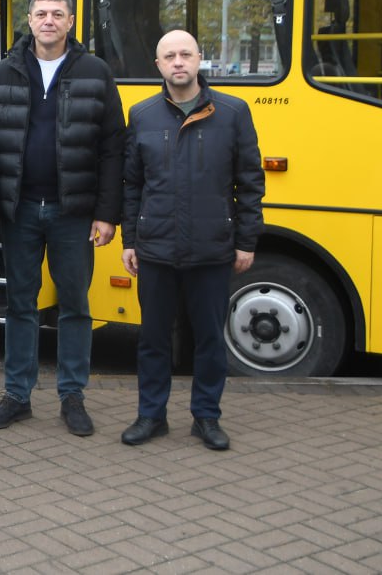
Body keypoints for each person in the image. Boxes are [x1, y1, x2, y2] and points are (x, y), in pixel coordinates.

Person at [0, 0, 126, 437]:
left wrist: (106, 213)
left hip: (73, 212)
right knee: (20, 305)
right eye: (41, 13)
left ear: (71, 21)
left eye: (57, 14)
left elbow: (113, 147)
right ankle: (17, 395)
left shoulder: (95, 73)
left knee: (75, 306)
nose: (48, 21)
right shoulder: (4, 72)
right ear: (29, 19)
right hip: (18, 210)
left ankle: (72, 395)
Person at [119, 29, 265, 451]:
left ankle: (207, 417)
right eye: (170, 56)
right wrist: (131, 239)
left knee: (208, 339)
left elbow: (249, 183)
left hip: (212, 247)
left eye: (186, 54)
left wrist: (246, 241)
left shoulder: (233, 112)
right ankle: (151, 415)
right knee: (153, 339)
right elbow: (133, 183)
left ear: (200, 58)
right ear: (159, 65)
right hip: (157, 247)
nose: (178, 62)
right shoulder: (143, 115)